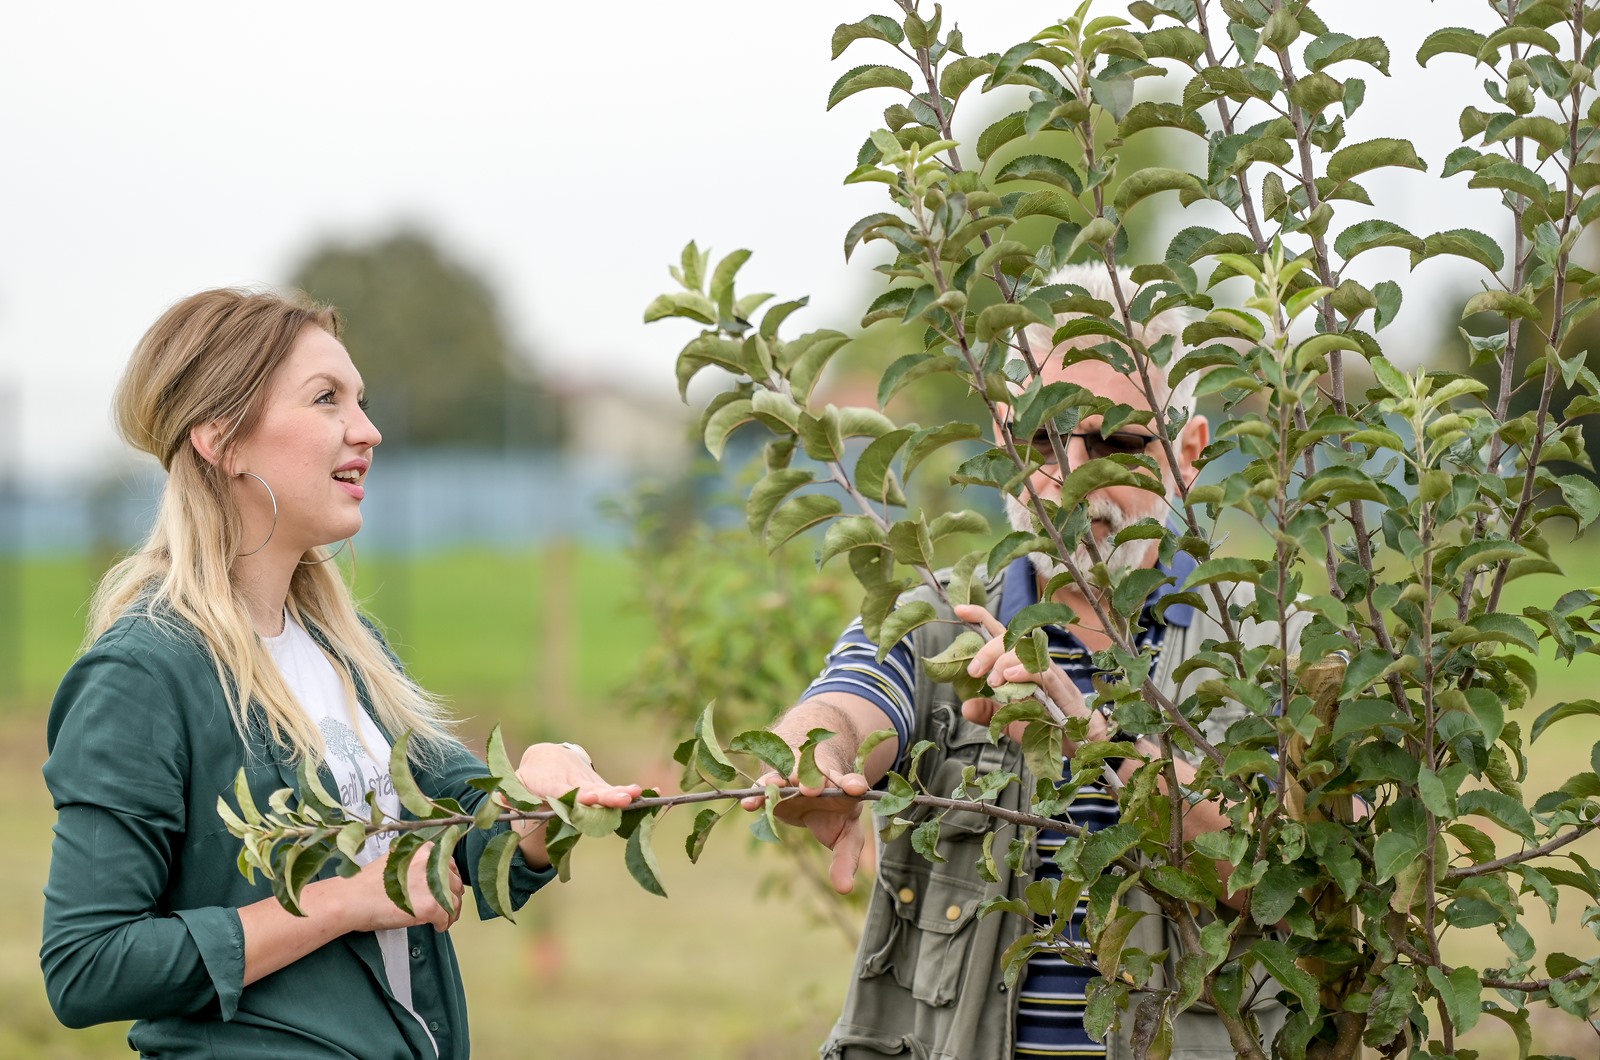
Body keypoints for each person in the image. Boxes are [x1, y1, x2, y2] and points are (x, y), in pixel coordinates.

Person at [39, 288, 640, 1059]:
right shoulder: (144, 675)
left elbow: (457, 841)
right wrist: (345, 903)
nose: (369, 430)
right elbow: (88, 967)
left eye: (361, 399)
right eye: (327, 399)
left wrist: (537, 799)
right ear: (221, 439)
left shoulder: (347, 650)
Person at [745, 264, 1305, 1060]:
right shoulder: (939, 623)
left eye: (1115, 442)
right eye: (1044, 440)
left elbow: (1277, 884)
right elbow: (847, 702)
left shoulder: (1267, 650)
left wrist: (1092, 737)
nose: (1072, 480)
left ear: (1188, 452)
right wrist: (815, 756)